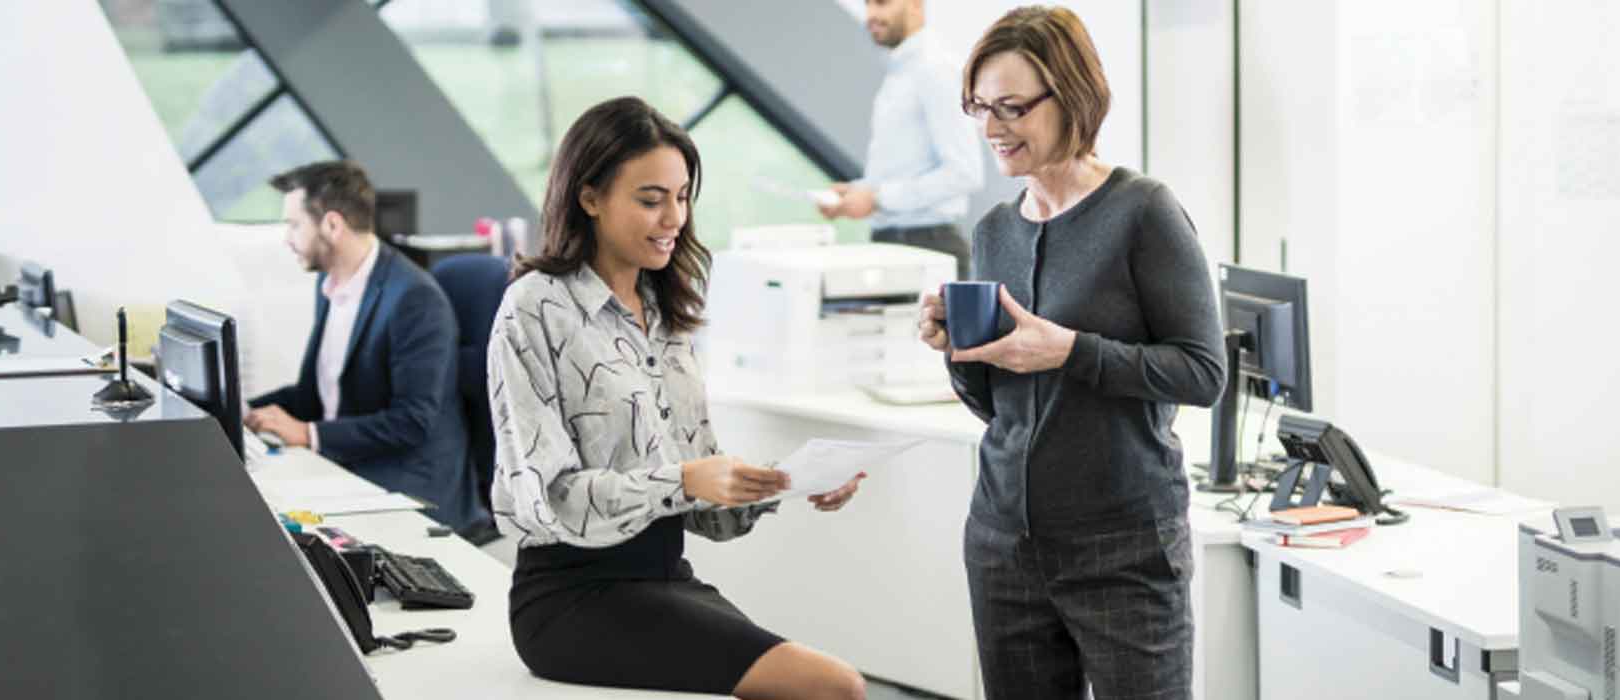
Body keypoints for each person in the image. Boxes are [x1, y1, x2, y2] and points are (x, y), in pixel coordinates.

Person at [489, 96, 869, 700]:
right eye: (650, 199)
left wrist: (783, 482)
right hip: (569, 597)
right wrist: (686, 480)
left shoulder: (666, 314)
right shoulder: (536, 307)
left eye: (683, 196)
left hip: (666, 576)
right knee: (835, 687)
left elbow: (706, 516)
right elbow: (551, 501)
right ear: (589, 198)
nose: (674, 218)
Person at [915, 7, 1225, 699]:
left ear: (1073, 97)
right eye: (980, 107)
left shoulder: (1143, 211)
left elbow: (1203, 373)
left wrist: (1072, 351)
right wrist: (954, 349)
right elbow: (997, 405)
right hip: (1002, 545)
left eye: (1012, 107)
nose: (992, 128)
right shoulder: (994, 229)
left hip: (1122, 548)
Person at [244, 161, 486, 532]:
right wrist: (243, 411)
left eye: (294, 225)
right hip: (356, 461)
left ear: (332, 225)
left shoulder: (413, 299)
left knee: (281, 523)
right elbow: (318, 395)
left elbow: (412, 421)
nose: (287, 238)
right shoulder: (329, 286)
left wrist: (309, 434)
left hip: (411, 481)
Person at [819, 0, 985, 277]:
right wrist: (857, 193)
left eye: (882, 3)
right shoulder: (899, 74)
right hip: (893, 243)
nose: (871, 15)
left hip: (927, 246)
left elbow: (966, 172)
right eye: (867, 5)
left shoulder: (935, 69)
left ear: (915, 6)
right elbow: (902, 170)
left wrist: (877, 199)